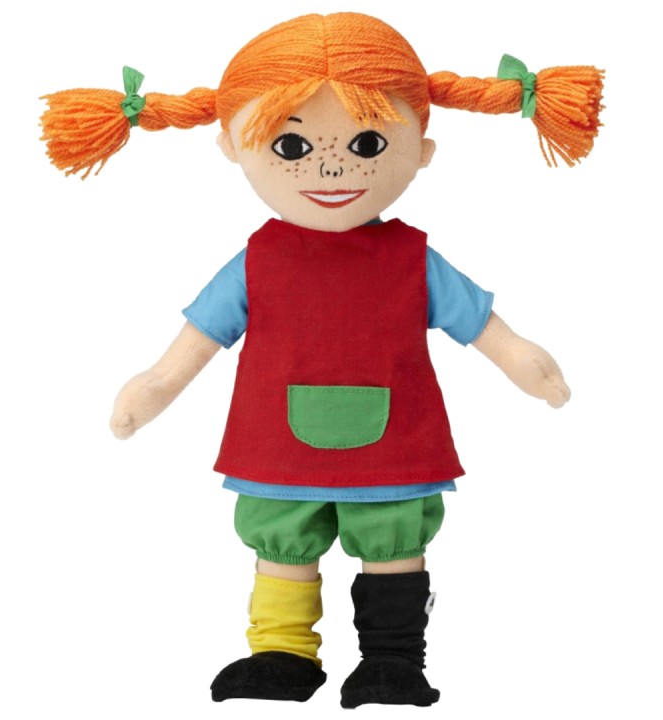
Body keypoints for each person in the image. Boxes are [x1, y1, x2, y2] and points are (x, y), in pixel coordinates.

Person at [40, 12, 602, 708]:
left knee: (392, 543)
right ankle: (282, 654)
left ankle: (392, 659)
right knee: (282, 544)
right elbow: (191, 348)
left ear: (421, 150)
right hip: (278, 445)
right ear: (232, 145)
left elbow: (489, 332)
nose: (330, 167)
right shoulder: (257, 262)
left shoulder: (413, 259)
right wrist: (151, 388)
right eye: (292, 145)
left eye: (367, 143)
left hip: (395, 447)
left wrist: (529, 366)